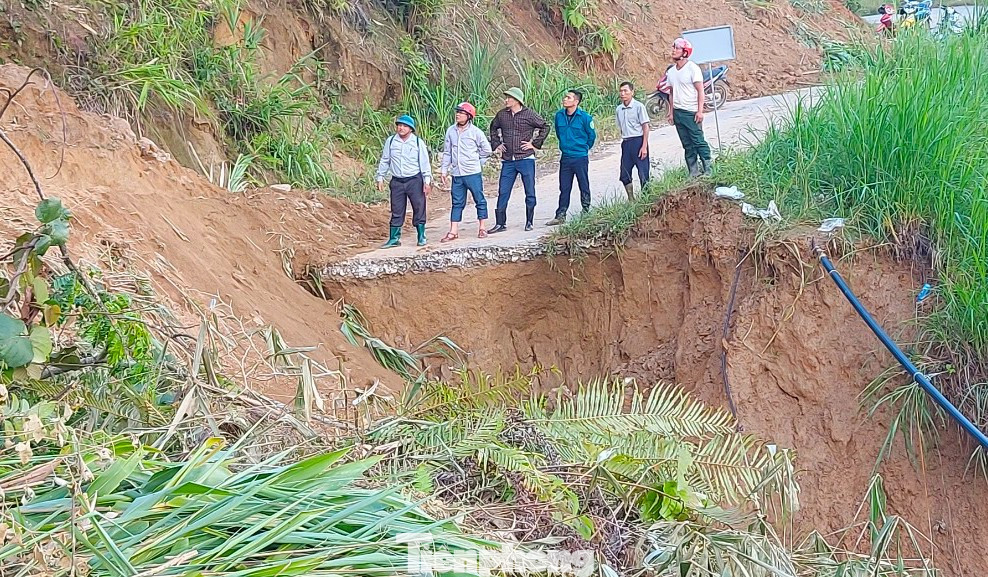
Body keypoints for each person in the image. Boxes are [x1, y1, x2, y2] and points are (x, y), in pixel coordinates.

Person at [487, 87, 550, 233]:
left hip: (525, 158)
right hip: (508, 159)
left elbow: (545, 127)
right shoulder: (502, 115)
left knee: (529, 190)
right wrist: (496, 144)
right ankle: (500, 223)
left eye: (509, 97)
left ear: (516, 100)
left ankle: (529, 221)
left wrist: (534, 144)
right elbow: (493, 127)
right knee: (503, 190)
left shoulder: (529, 114)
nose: (506, 100)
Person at [375, 114, 432, 248]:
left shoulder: (417, 142)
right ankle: (394, 238)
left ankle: (421, 235)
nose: (401, 128)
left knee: (419, 207)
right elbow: (385, 160)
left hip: (414, 180)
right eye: (399, 125)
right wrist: (380, 177)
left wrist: (427, 181)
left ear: (411, 129)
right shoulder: (391, 141)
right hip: (397, 181)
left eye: (404, 126)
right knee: (396, 209)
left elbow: (424, 163)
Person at [439, 101, 492, 241]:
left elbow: (487, 150)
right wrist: (444, 170)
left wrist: (476, 160)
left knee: (479, 199)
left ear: (469, 116)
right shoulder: (451, 131)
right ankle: (453, 231)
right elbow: (447, 152)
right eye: (457, 112)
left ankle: (482, 227)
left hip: (472, 172)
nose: (458, 115)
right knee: (457, 202)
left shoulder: (475, 132)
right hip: (457, 173)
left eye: (461, 113)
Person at [547, 89, 597, 225]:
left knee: (583, 184)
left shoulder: (585, 118)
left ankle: (586, 210)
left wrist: (584, 148)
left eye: (568, 98)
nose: (565, 99)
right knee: (564, 186)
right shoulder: (559, 116)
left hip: (580, 157)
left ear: (576, 101)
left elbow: (591, 136)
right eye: (565, 97)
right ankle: (560, 215)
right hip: (566, 156)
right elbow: (558, 132)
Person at [666, 37, 713, 177]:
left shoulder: (692, 68)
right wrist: (671, 113)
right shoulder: (671, 72)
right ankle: (693, 171)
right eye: (673, 48)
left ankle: (708, 168)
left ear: (685, 52)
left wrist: (700, 111)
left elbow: (700, 90)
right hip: (678, 112)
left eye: (677, 48)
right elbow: (671, 93)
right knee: (686, 143)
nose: (673, 50)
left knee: (698, 140)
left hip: (691, 112)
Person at [615, 81, 650, 200]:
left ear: (632, 92)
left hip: (638, 141)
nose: (623, 93)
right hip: (626, 142)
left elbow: (645, 127)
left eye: (626, 91)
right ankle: (631, 199)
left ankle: (646, 199)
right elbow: (620, 127)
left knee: (643, 173)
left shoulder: (639, 106)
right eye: (621, 91)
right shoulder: (619, 109)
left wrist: (644, 146)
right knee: (624, 174)